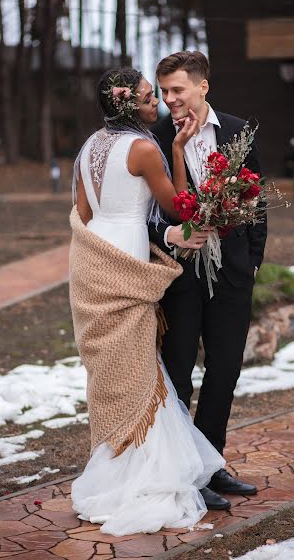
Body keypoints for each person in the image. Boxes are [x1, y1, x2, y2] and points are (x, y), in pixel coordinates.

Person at [69, 67, 225, 537]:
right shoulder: (143, 147)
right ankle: (139, 476)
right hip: (127, 260)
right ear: (129, 106)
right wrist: (176, 150)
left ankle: (115, 463)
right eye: (146, 97)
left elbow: (83, 211)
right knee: (138, 368)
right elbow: (179, 208)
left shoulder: (87, 147)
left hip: (94, 258)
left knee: (115, 371)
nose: (156, 101)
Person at [149, 51, 267, 509]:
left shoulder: (238, 131)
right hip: (180, 275)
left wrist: (253, 258)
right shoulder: (156, 138)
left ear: (203, 87)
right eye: (163, 92)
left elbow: (255, 195)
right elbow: (160, 210)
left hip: (234, 272)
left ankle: (211, 463)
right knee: (179, 373)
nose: (169, 100)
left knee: (226, 370)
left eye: (177, 90)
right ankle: (185, 473)